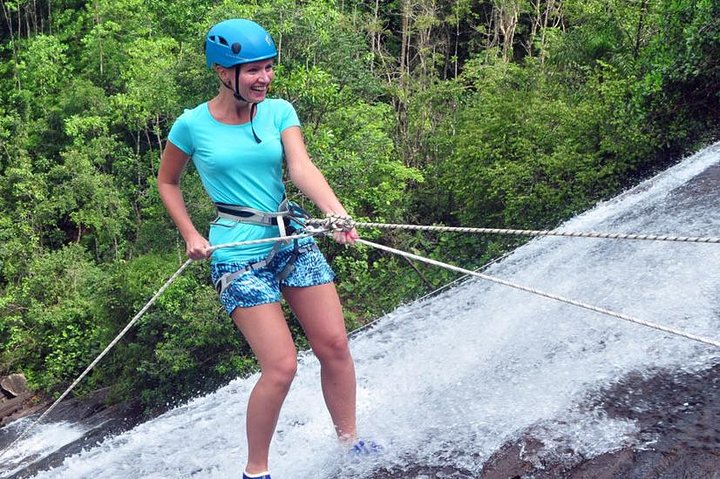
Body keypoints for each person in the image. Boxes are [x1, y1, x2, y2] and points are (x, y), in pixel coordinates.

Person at [157, 18, 368, 479]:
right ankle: (257, 472)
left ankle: (351, 445)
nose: (264, 78)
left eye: (269, 68)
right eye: (253, 70)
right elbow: (167, 181)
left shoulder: (278, 112)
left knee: (334, 345)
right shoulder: (191, 125)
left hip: (291, 238)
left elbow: (301, 167)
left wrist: (335, 212)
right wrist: (191, 234)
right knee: (281, 366)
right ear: (222, 72)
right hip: (237, 254)